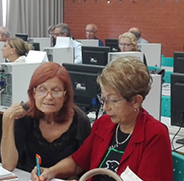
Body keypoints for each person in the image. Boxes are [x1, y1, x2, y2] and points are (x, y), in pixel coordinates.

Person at [31, 56, 173, 181]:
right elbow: (78, 162)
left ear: (136, 101)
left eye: (113, 101)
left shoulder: (154, 134)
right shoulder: (104, 124)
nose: (105, 107)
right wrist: (51, 171)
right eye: (103, 99)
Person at [0, 62, 91, 172]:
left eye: (56, 91)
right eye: (42, 89)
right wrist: (7, 119)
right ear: (33, 93)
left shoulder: (80, 120)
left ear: (65, 95)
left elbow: (85, 163)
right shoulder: (24, 115)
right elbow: (8, 165)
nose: (49, 97)